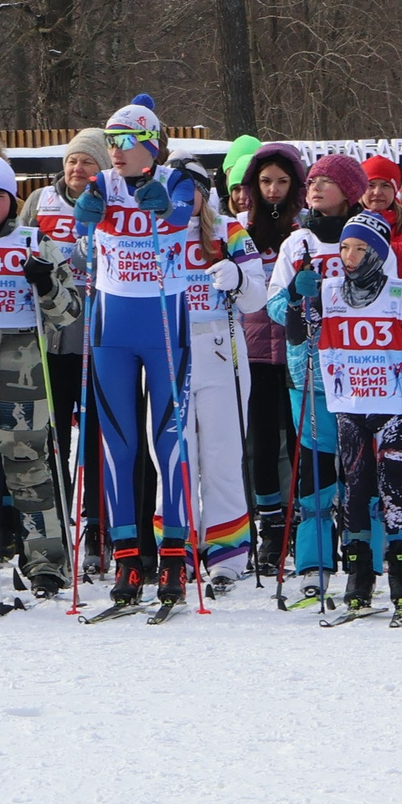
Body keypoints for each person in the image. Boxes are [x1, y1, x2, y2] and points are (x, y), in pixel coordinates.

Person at [71, 95, 204, 608]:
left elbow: (179, 214)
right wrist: (84, 211)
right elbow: (77, 220)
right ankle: (127, 559)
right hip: (112, 329)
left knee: (168, 442)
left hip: (166, 325)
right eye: (110, 142)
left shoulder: (176, 179)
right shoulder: (101, 183)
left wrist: (163, 205)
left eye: (125, 142)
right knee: (117, 447)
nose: (115, 152)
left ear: (150, 143)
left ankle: (173, 556)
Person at [305, 209, 402, 620]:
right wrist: (299, 298)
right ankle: (358, 575)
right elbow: (302, 334)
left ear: (378, 253)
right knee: (355, 487)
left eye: (361, 248)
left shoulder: (401, 292)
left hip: (392, 405)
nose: (350, 256)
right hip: (350, 405)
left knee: (394, 486)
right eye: (345, 247)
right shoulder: (328, 292)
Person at [0, 154, 71, 596]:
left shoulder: (34, 241)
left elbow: (69, 312)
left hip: (20, 362)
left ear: (12, 199)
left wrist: (46, 285)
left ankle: (46, 563)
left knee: (28, 466)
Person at [267, 152, 365, 605]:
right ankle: (314, 563)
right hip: (309, 374)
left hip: (363, 372)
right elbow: (270, 307)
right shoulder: (297, 243)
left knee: (364, 468)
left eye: (328, 181)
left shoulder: (365, 236)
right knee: (316, 470)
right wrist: (293, 295)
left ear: (349, 191)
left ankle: (369, 560)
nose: (316, 187)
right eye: (314, 180)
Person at [173, 163, 270, 591]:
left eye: (187, 190)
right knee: (174, 459)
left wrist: (236, 278)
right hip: (168, 348)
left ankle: (228, 553)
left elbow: (257, 296)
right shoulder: (153, 228)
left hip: (218, 348)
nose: (179, 199)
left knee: (222, 455)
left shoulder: (228, 230)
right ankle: (175, 547)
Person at [231, 140, 307, 575]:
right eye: (265, 182)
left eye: (281, 182)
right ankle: (270, 528)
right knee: (261, 442)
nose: (273, 190)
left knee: (298, 439)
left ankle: (300, 520)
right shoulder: (239, 228)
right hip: (253, 349)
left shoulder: (303, 231)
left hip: (297, 349)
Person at [34, 128, 101, 560]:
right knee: (50, 432)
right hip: (50, 338)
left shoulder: (110, 203)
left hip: (94, 337)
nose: (77, 169)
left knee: (95, 437)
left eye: (87, 162)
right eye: (72, 161)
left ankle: (97, 525)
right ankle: (54, 519)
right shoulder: (40, 201)